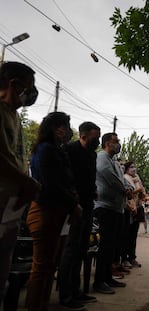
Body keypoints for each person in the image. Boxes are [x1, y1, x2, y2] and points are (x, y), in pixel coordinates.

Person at [26, 112, 83, 311]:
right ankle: (35, 306)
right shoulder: (45, 150)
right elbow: (52, 184)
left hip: (59, 212)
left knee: (50, 265)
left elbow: (67, 182)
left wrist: (73, 201)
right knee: (41, 267)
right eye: (64, 127)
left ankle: (42, 304)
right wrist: (73, 204)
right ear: (53, 128)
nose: (67, 131)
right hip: (45, 211)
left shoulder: (58, 150)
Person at [0, 62, 40, 305]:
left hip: (10, 206)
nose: (32, 93)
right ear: (14, 84)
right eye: (30, 87)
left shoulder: (13, 116)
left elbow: (15, 158)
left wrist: (25, 183)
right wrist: (27, 182)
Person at [57, 122, 101, 310]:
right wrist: (73, 202)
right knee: (71, 250)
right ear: (83, 135)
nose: (97, 140)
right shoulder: (69, 150)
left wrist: (94, 191)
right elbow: (66, 179)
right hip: (73, 206)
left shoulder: (92, 154)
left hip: (88, 204)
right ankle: (65, 295)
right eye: (95, 137)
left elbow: (90, 178)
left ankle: (76, 291)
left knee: (82, 249)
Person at [93, 133, 131, 294]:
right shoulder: (102, 158)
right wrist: (124, 190)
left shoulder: (114, 160)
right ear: (108, 143)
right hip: (105, 207)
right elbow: (111, 178)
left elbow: (122, 178)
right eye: (116, 141)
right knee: (105, 246)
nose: (119, 144)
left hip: (116, 208)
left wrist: (127, 187)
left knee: (112, 247)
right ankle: (99, 281)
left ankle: (107, 277)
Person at [121, 161, 144, 269]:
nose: (134, 169)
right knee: (126, 235)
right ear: (126, 169)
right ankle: (124, 259)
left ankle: (132, 257)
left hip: (138, 207)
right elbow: (130, 192)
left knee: (133, 235)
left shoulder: (137, 178)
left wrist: (141, 190)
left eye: (134, 167)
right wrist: (138, 190)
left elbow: (142, 191)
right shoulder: (125, 177)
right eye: (131, 167)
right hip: (129, 208)